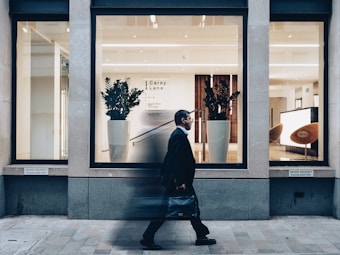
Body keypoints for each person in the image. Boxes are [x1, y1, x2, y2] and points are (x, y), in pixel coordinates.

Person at [140, 109, 216, 250]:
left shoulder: (178, 135)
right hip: (179, 182)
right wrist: (179, 181)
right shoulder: (179, 136)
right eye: (189, 118)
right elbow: (176, 160)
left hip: (177, 180)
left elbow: (170, 157)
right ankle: (148, 237)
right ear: (183, 120)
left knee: (192, 207)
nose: (191, 121)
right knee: (169, 210)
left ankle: (201, 235)